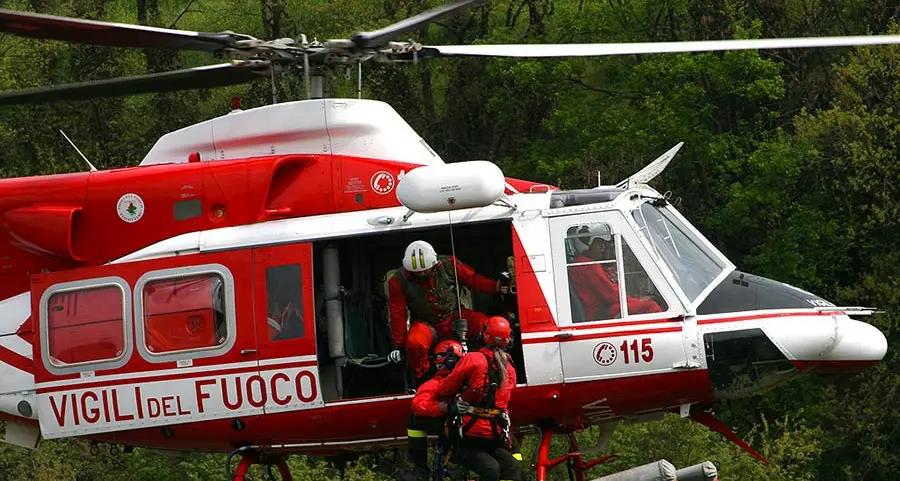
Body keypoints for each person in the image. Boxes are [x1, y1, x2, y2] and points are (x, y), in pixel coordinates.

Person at [387, 240, 508, 380]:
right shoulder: (398, 281)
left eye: (426, 270)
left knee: (488, 327)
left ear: (435, 263)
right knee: (415, 344)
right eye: (417, 272)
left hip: (455, 316)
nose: (422, 274)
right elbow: (398, 314)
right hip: (425, 324)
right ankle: (424, 377)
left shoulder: (449, 265)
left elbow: (472, 279)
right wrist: (399, 346)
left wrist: (495, 287)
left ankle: (495, 368)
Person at [435, 316, 524, 481]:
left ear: (484, 334)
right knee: (512, 469)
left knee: (493, 470)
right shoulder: (510, 367)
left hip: (468, 436)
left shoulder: (473, 359)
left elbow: (444, 390)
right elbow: (507, 397)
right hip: (493, 435)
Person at [568, 224, 662, 320]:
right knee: (651, 306)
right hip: (598, 314)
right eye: (599, 244)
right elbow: (612, 296)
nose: (602, 249)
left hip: (596, 311)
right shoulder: (589, 266)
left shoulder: (579, 262)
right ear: (586, 243)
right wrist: (639, 300)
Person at [403, 339, 465, 481]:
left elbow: (419, 406)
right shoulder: (474, 378)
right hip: (476, 428)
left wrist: (443, 407)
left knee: (413, 419)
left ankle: (419, 469)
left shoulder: (436, 384)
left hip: (459, 429)